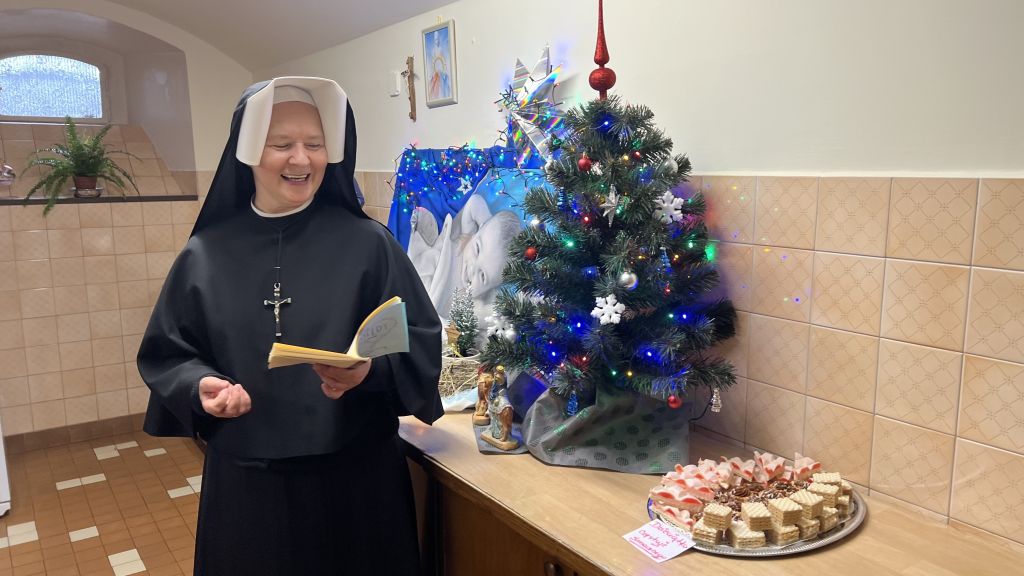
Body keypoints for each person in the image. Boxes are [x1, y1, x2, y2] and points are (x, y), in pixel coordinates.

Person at [137, 76, 443, 575]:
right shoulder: (205, 254)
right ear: (248, 151)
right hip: (250, 488)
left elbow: (421, 345)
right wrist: (199, 385)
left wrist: (368, 373)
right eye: (282, 144)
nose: (301, 160)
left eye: (315, 144)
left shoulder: (370, 245)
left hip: (357, 483)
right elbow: (170, 352)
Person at [407, 194, 521, 334]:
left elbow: (482, 317)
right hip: (439, 264)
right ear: (478, 232)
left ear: (492, 286)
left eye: (483, 276)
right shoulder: (466, 238)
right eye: (477, 249)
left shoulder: (476, 300)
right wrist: (483, 224)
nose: (473, 268)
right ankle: (423, 239)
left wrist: (489, 314)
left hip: (436, 315)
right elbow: (475, 202)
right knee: (424, 265)